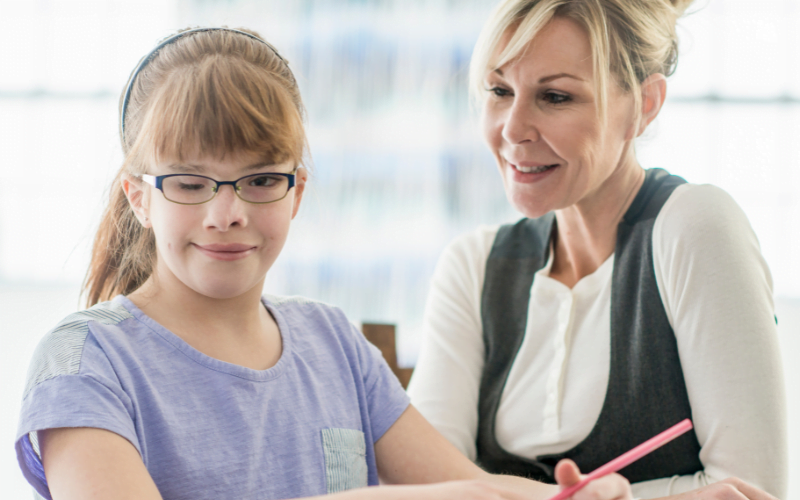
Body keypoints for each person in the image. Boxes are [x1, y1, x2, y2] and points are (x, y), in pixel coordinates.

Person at [14, 27, 636, 500]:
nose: (225, 212)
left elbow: (465, 489)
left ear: (297, 192)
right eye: (190, 182)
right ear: (139, 197)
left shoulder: (332, 342)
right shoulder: (83, 364)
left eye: (259, 180)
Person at [406, 1, 787, 500]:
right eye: (500, 90)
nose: (513, 129)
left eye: (556, 96)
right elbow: (428, 488)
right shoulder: (473, 265)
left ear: (645, 104)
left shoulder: (694, 227)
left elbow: (751, 491)